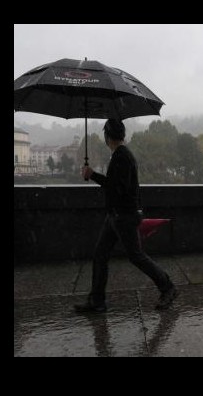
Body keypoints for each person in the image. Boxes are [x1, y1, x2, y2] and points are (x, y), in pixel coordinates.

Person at [74, 118, 178, 312]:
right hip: (117, 216)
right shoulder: (121, 155)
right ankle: (96, 300)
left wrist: (93, 175)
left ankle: (168, 287)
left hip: (123, 217)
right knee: (100, 254)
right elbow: (121, 187)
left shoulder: (122, 156)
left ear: (107, 136)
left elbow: (117, 188)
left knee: (136, 256)